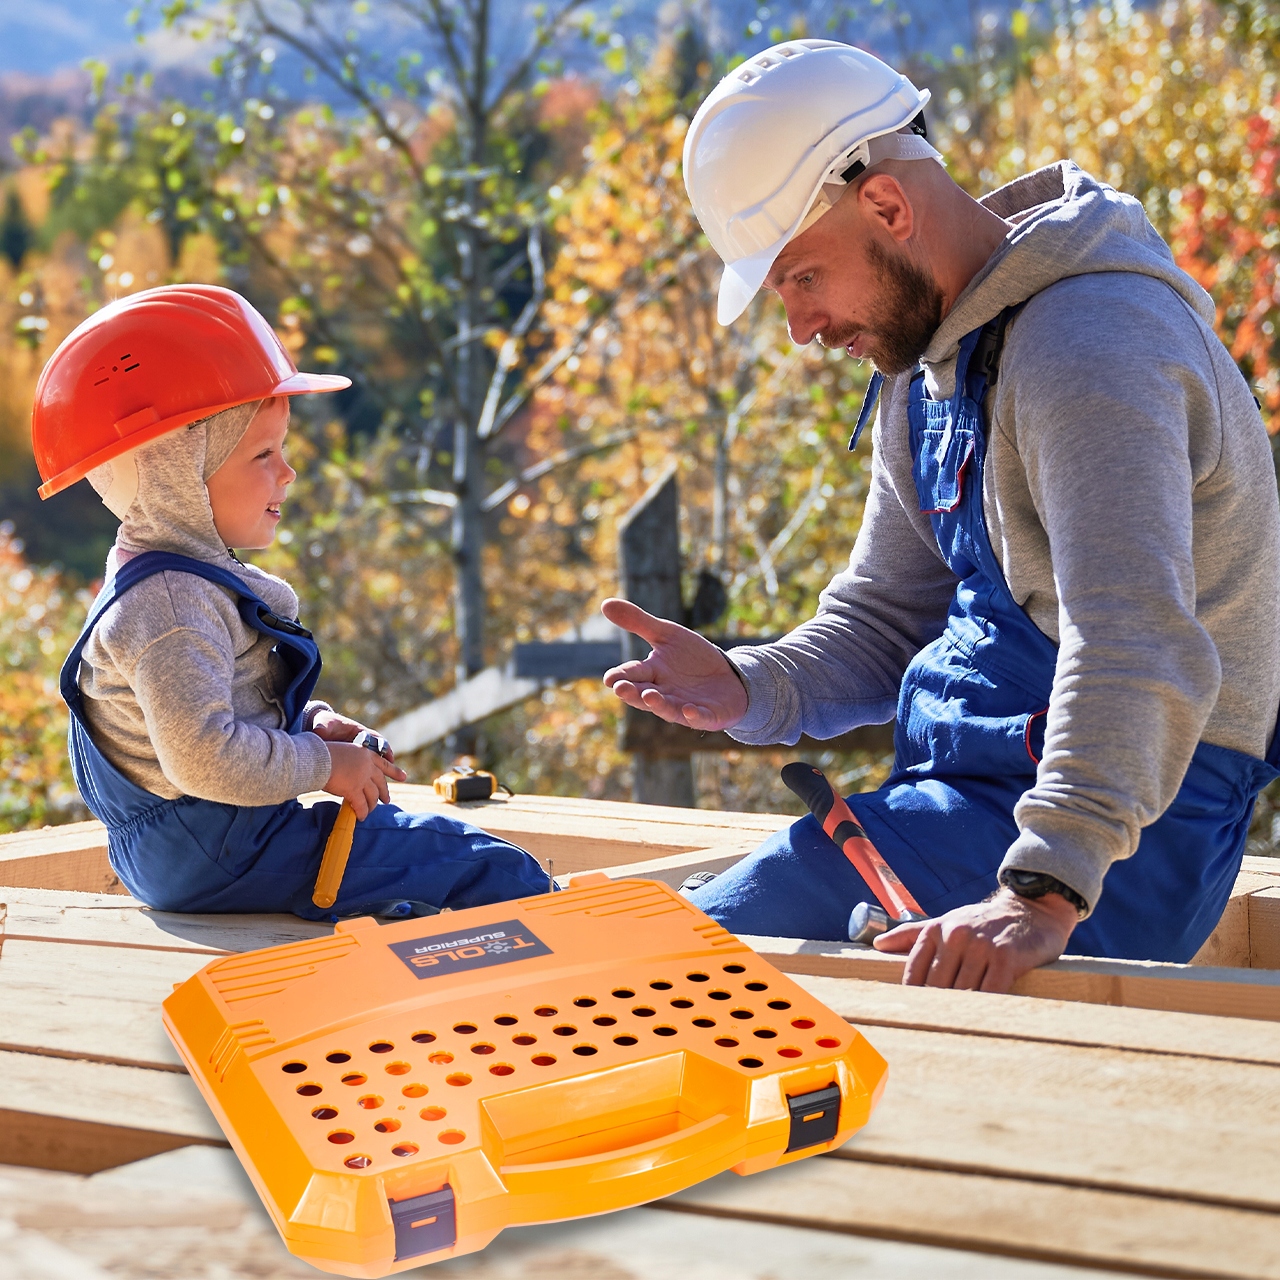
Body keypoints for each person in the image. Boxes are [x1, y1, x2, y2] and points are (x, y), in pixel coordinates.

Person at [602, 40, 1280, 991]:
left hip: (1115, 841)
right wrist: (745, 685)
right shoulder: (928, 366)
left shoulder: (1091, 347)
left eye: (801, 277)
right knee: (666, 959)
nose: (798, 328)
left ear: (885, 205)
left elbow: (1136, 639)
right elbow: (885, 621)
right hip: (973, 803)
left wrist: (1041, 891)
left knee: (662, 976)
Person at [34, 284, 549, 920]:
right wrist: (323, 765)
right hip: (221, 852)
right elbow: (204, 756)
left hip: (209, 849)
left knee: (403, 877)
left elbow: (220, 706)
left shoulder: (178, 584)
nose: (288, 473)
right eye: (262, 454)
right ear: (177, 476)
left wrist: (309, 725)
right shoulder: (172, 609)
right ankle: (578, 967)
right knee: (477, 865)